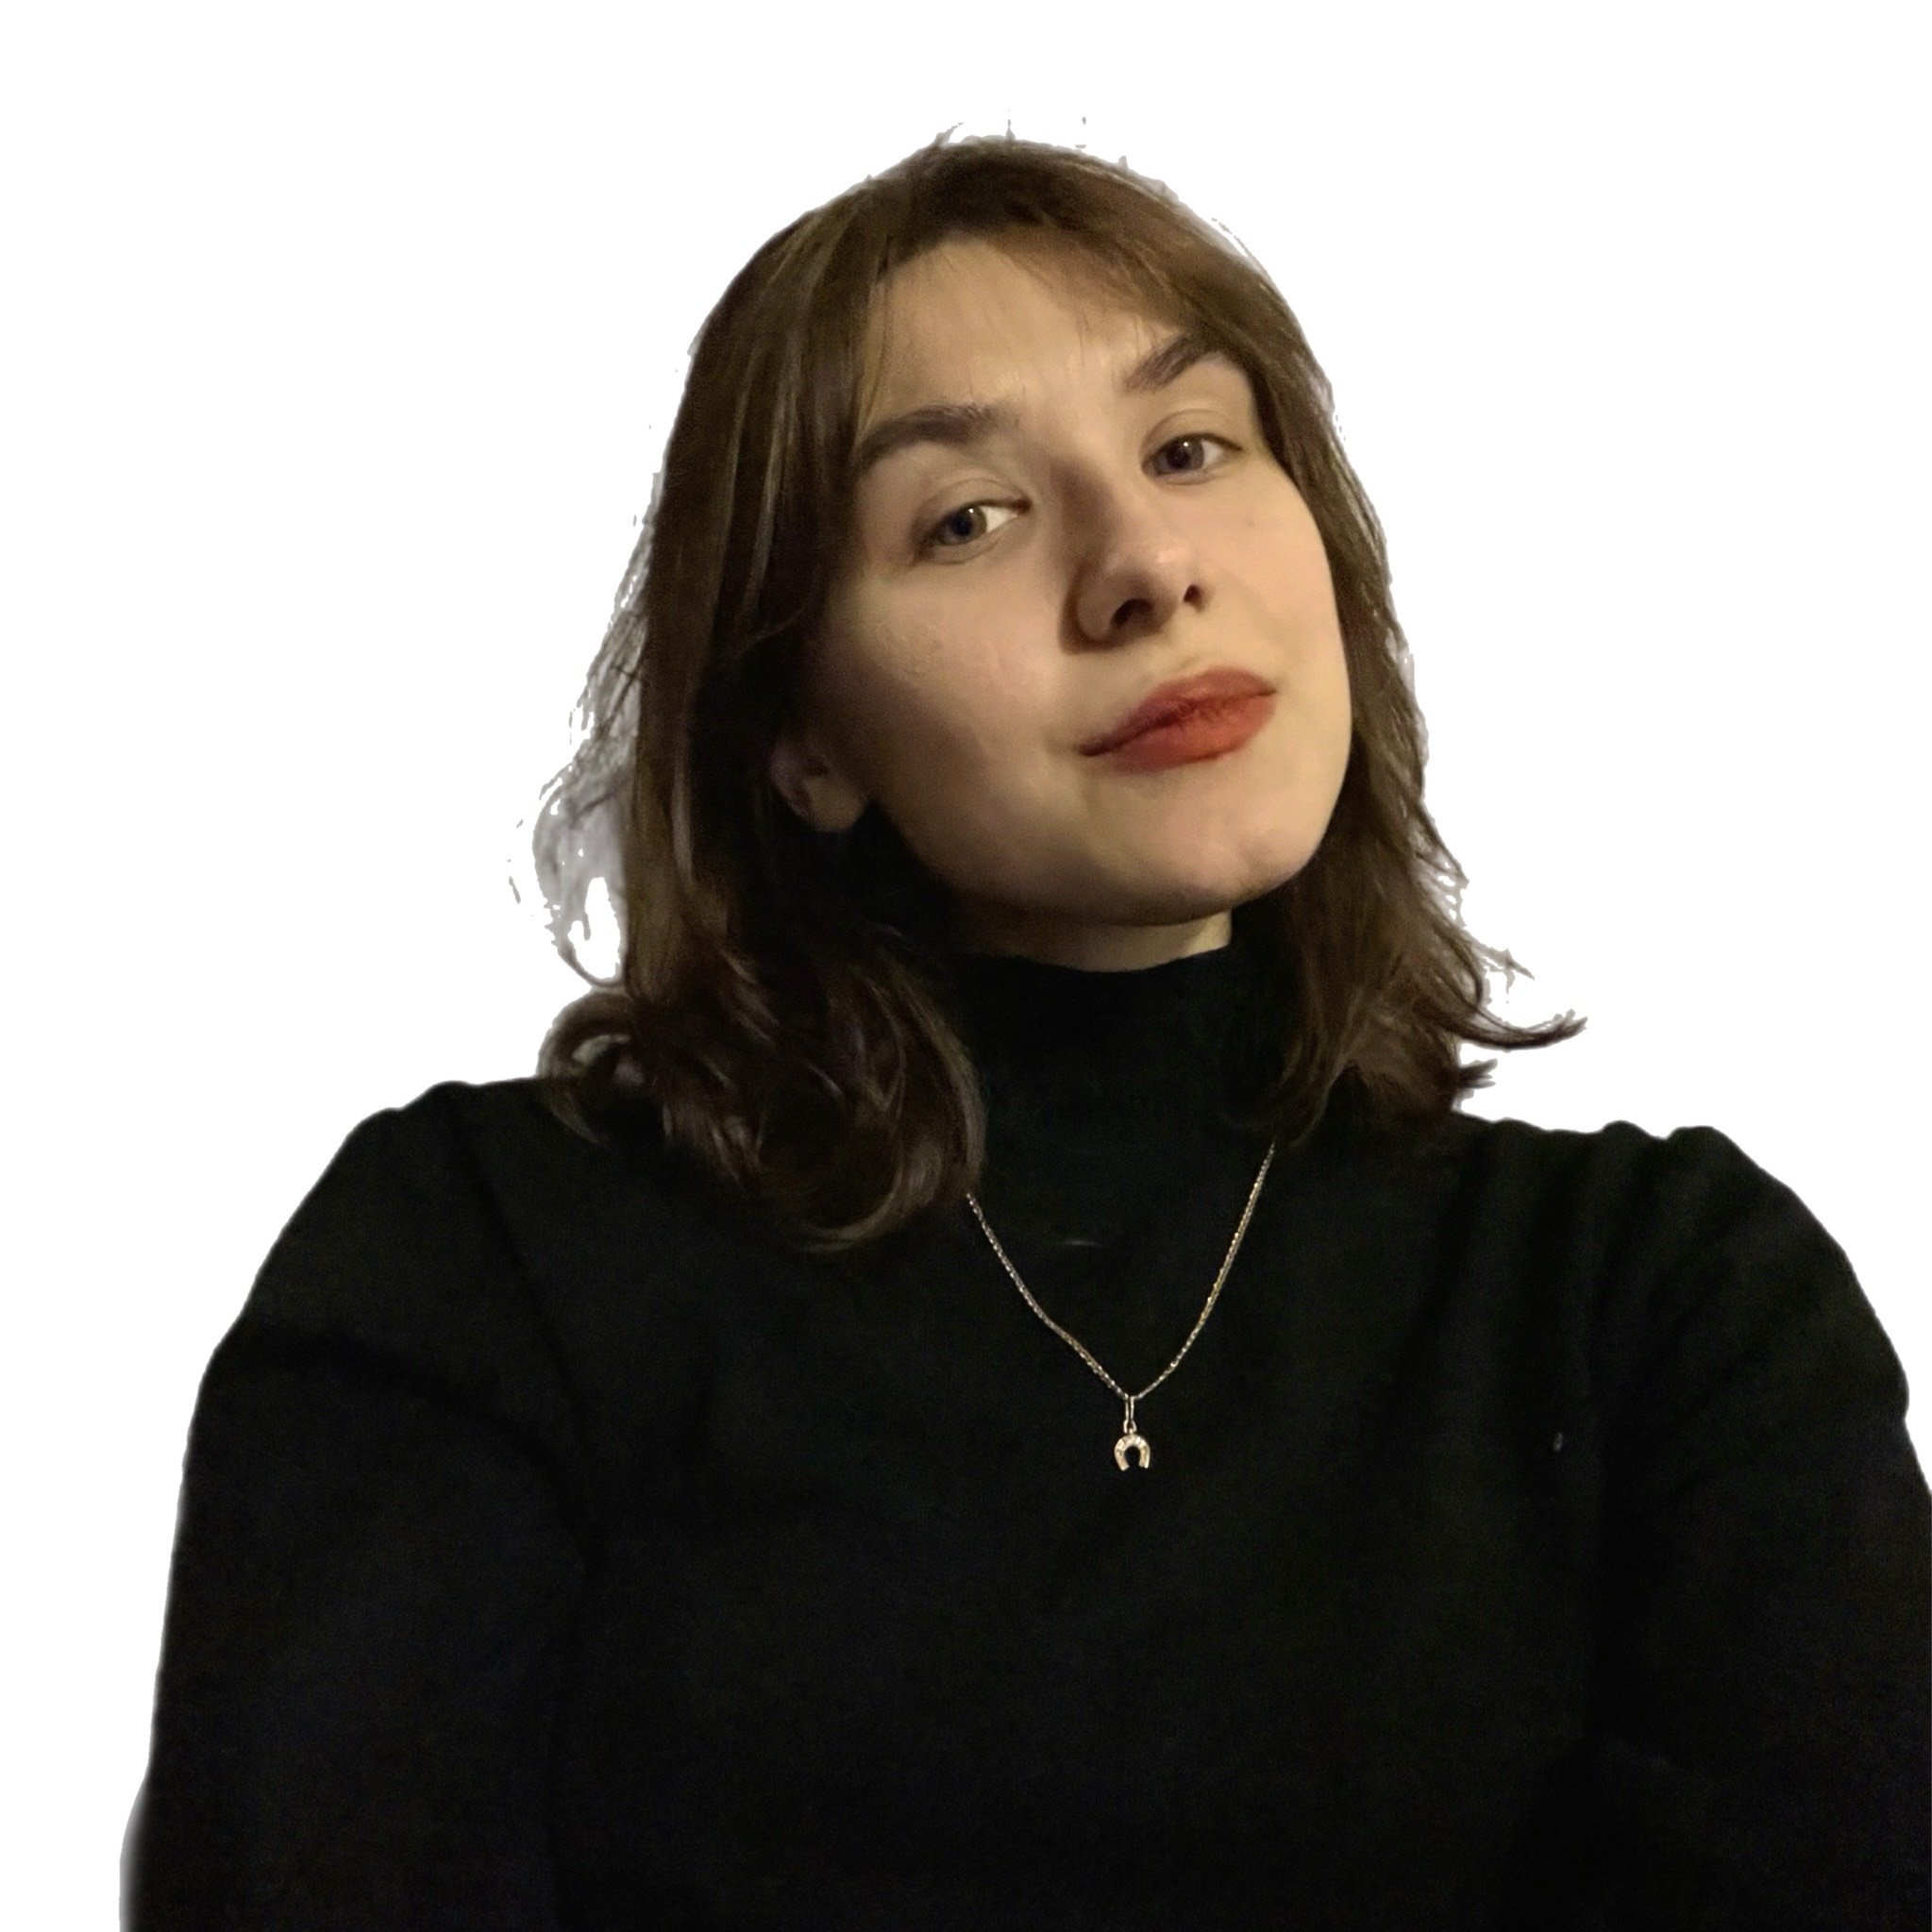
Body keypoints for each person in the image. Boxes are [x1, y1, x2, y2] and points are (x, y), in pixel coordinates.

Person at [123, 129, 1929, 1929]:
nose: (1144, 563)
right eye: (966, 518)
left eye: (1191, 446)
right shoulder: (481, 1264)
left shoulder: (1670, 1302)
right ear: (802, 740)